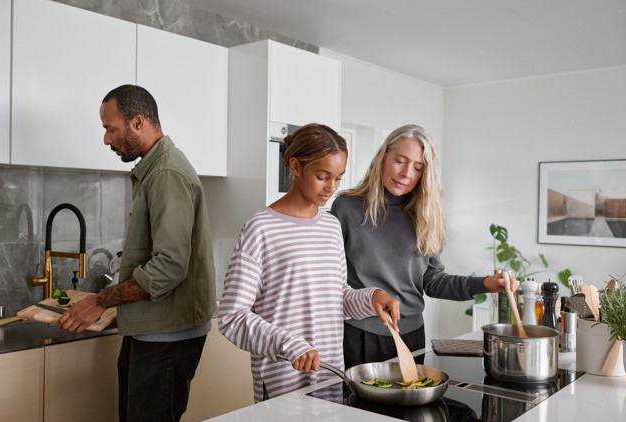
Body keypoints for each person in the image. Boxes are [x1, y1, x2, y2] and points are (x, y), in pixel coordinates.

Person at [57, 84, 216, 422]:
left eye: (110, 129)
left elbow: (169, 267)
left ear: (138, 122)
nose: (106, 140)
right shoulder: (155, 170)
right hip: (155, 328)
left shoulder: (166, 173)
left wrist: (100, 301)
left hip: (167, 335)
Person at [217, 123, 400, 403]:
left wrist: (372, 297)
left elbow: (338, 298)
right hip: (281, 383)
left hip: (329, 377)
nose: (331, 188)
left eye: (338, 178)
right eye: (322, 176)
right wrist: (289, 345)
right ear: (295, 166)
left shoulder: (330, 226)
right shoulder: (260, 228)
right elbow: (232, 317)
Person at [330, 124, 518, 369]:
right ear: (383, 157)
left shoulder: (426, 215)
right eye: (400, 161)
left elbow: (433, 281)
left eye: (418, 168)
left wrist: (485, 284)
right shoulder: (346, 208)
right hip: (359, 334)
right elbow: (332, 283)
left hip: (412, 335)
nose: (407, 173)